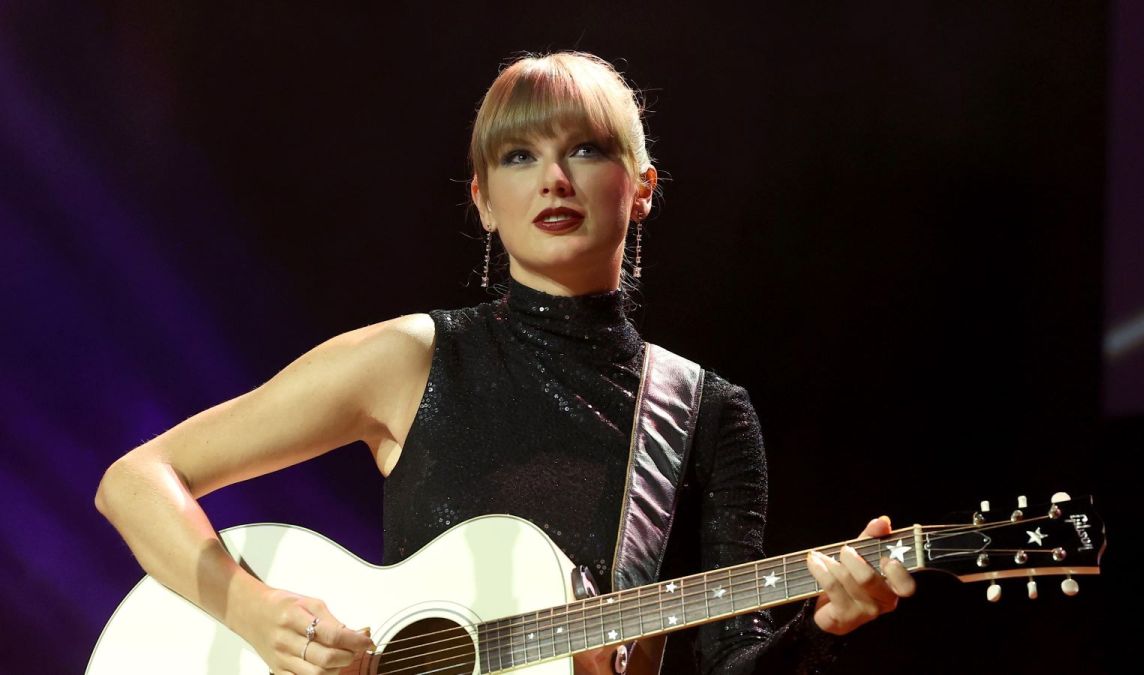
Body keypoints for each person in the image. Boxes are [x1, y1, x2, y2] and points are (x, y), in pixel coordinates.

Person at [96, 51, 915, 675]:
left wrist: (821, 626)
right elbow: (135, 480)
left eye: (586, 149)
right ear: (484, 200)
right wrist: (256, 613)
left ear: (642, 187)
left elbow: (727, 658)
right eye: (519, 156)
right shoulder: (411, 358)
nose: (554, 178)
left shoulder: (705, 411)